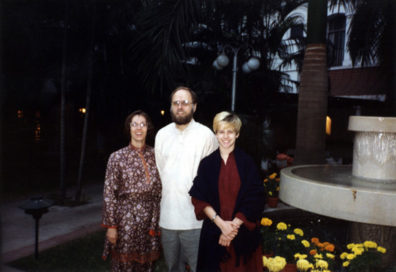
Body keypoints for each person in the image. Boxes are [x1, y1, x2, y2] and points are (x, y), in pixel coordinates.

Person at [189, 111, 265, 272]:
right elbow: (198, 198)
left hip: (242, 235)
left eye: (230, 131)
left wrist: (232, 228)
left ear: (237, 134)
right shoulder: (207, 164)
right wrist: (222, 225)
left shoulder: (247, 163)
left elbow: (256, 197)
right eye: (221, 131)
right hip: (213, 234)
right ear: (215, 133)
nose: (225, 136)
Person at [155, 86, 218, 272]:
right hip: (168, 219)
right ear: (171, 107)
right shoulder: (162, 135)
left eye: (185, 103)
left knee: (201, 266)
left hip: (195, 220)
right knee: (173, 267)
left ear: (194, 107)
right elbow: (161, 172)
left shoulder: (206, 135)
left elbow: (213, 177)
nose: (180, 107)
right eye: (176, 103)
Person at [102, 110, 162, 272]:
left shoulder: (157, 154)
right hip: (125, 221)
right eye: (134, 124)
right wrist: (111, 226)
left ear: (148, 128)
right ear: (128, 128)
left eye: (142, 124)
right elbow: (109, 194)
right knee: (124, 264)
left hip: (150, 219)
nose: (138, 128)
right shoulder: (117, 157)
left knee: (147, 264)